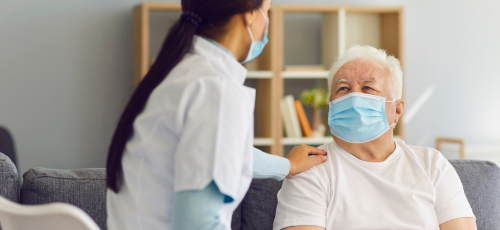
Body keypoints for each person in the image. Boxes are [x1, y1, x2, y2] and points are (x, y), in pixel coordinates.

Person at [105, 0, 327, 230]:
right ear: (250, 15)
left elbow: (221, 153)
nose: (267, 22)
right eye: (267, 11)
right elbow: (197, 222)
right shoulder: (216, 90)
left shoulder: (178, 74)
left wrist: (286, 166)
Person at [273, 45, 477, 230]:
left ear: (397, 109)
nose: (353, 97)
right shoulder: (309, 169)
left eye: (368, 88)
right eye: (342, 89)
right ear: (330, 108)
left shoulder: (432, 165)